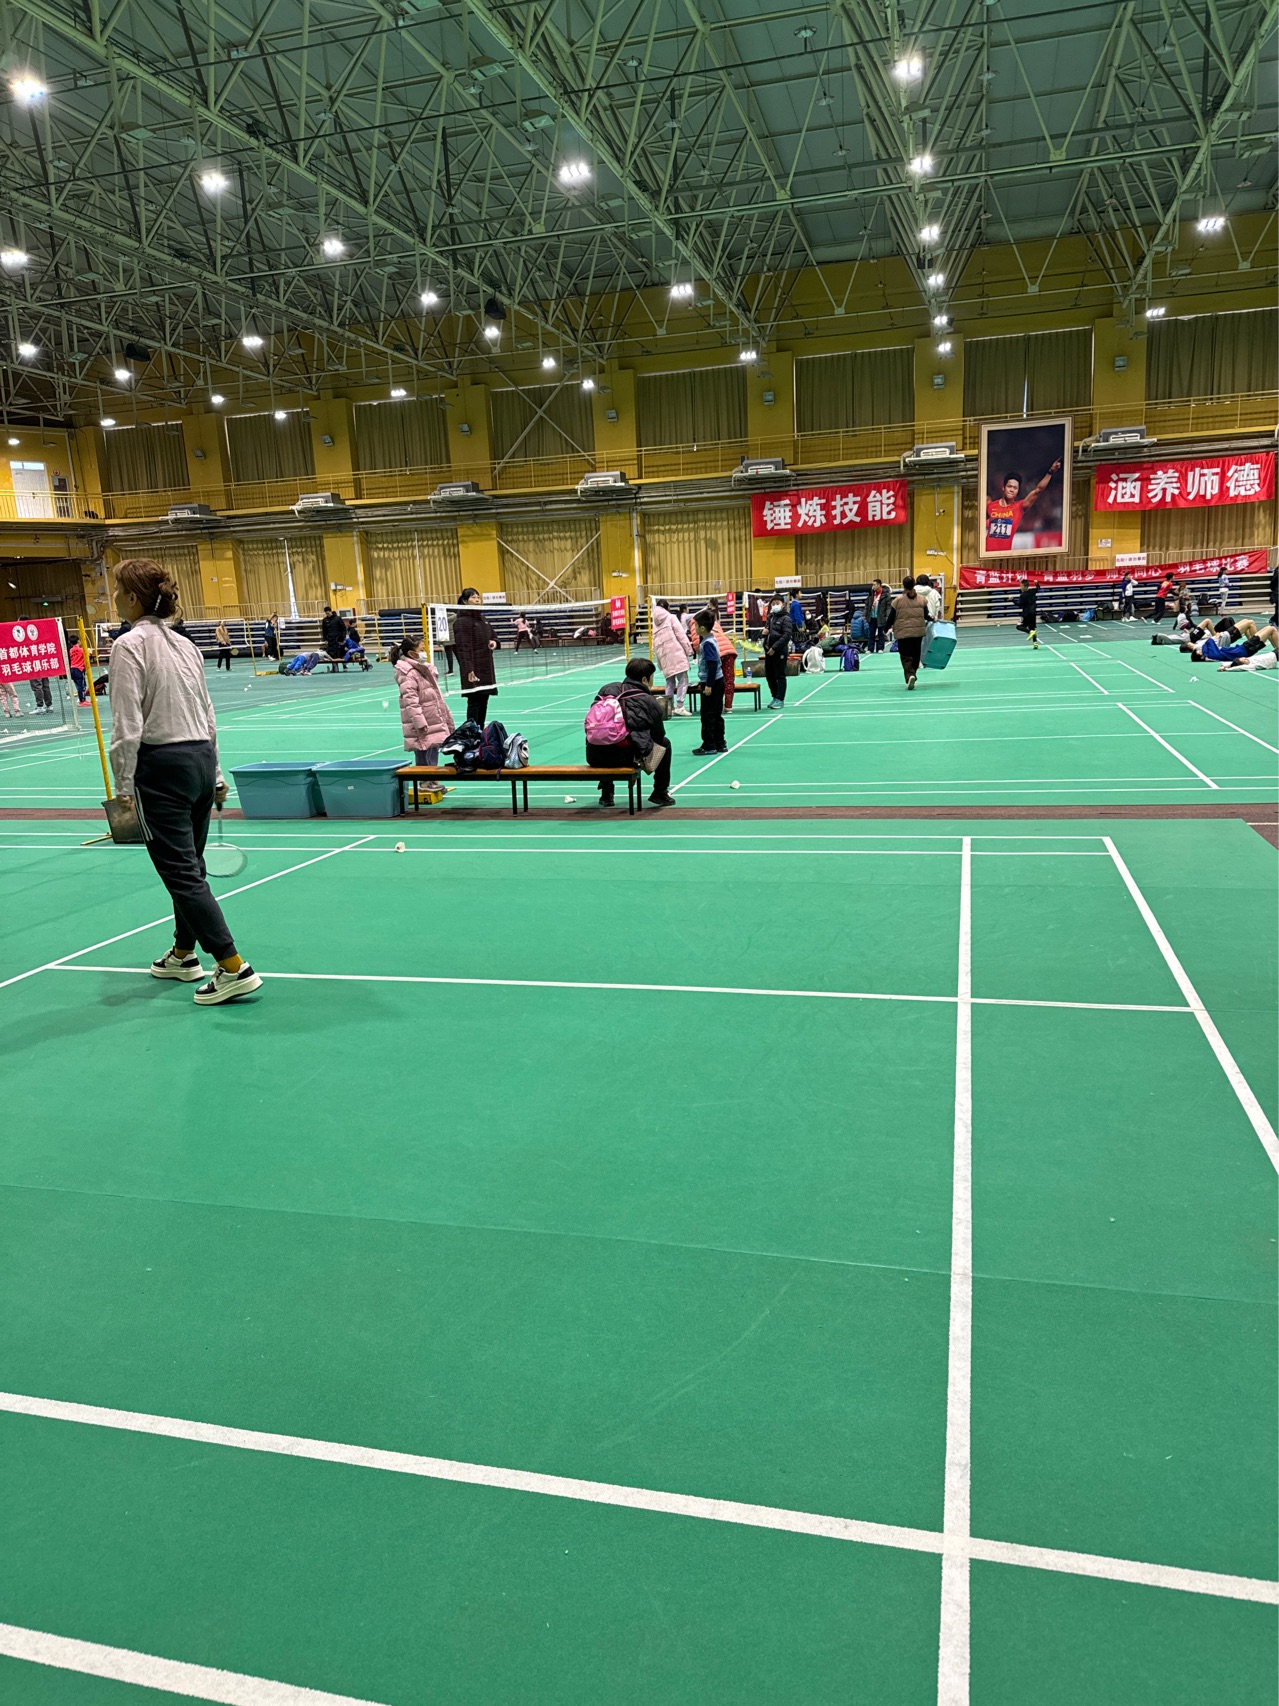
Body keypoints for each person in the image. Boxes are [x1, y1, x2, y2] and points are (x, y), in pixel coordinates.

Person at [107, 558, 261, 1006]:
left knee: (181, 875)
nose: (113, 597)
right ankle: (182, 954)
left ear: (132, 598)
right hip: (199, 762)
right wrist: (216, 773)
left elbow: (127, 726)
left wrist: (123, 787)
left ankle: (232, 966)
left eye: (116, 589)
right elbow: (207, 714)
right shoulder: (186, 645)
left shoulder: (128, 646)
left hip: (162, 769)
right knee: (191, 867)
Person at [586, 658, 675, 808]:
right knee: (665, 744)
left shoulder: (606, 690)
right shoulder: (648, 700)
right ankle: (660, 792)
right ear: (645, 679)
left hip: (594, 757)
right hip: (627, 758)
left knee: (605, 737)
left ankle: (607, 794)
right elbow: (658, 736)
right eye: (652, 677)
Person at [394, 634, 453, 763]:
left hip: (433, 718)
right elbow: (411, 702)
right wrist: (420, 723)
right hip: (423, 724)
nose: (424, 653)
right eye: (421, 650)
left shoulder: (425, 670)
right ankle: (426, 776)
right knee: (425, 758)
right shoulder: (408, 674)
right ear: (411, 653)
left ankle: (430, 776)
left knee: (432, 754)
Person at [984, 460, 1061, 553]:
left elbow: (1038, 490)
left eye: (1015, 488)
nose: (1012, 490)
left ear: (1017, 491)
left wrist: (1050, 472)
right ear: (1003, 488)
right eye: (1009, 486)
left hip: (1004, 556)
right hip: (986, 555)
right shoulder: (990, 506)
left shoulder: (1019, 507)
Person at [453, 587, 498, 724]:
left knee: (484, 699)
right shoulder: (461, 622)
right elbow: (463, 648)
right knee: (474, 701)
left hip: (486, 666)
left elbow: (494, 637)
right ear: (465, 601)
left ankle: (480, 730)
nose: (477, 600)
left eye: (478, 597)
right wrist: (468, 670)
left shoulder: (483, 619)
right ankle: (472, 732)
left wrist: (494, 642)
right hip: (473, 668)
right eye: (473, 597)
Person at [692, 609, 726, 754]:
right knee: (716, 714)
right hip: (718, 681)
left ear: (702, 628)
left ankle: (709, 745)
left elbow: (712, 665)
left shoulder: (707, 644)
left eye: (695, 625)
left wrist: (708, 685)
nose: (694, 628)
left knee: (708, 715)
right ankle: (720, 743)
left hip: (712, 683)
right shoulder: (709, 640)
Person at [651, 598, 694, 715]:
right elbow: (681, 635)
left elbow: (654, 644)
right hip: (676, 653)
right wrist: (689, 650)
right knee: (683, 680)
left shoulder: (655, 624)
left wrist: (660, 662)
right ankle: (680, 706)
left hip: (664, 657)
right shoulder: (671, 618)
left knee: (669, 682)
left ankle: (669, 708)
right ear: (667, 608)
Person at [886, 575, 928, 689]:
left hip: (903, 633)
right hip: (918, 632)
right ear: (914, 584)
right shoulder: (922, 599)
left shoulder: (897, 601)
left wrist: (885, 629)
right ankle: (913, 673)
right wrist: (933, 618)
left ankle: (910, 675)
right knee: (916, 655)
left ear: (903, 585)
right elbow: (926, 615)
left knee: (905, 656)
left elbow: (891, 618)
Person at [706, 602, 737, 712]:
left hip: (717, 654)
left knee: (714, 679)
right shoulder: (717, 625)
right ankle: (728, 706)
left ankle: (716, 706)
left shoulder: (701, 627)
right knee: (729, 680)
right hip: (729, 652)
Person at [762, 595, 792, 709]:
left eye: (777, 603)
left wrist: (774, 648)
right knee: (769, 675)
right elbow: (767, 633)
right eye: (773, 604)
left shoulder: (786, 618)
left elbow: (786, 636)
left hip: (779, 651)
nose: (775, 605)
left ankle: (780, 699)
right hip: (768, 651)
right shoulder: (770, 617)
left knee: (780, 675)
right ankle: (775, 696)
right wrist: (763, 634)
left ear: (782, 604)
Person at [1017, 577, 1040, 649]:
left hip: (1026, 614)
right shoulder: (1032, 591)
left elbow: (1019, 605)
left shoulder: (1023, 595)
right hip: (1033, 613)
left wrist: (1012, 600)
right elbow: (1038, 588)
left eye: (1021, 586)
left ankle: (1030, 632)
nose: (1020, 587)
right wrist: (1036, 583)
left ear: (1026, 586)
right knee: (1032, 627)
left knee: (1019, 626)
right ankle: (1035, 643)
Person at [68, 638, 89, 703]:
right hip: (79, 669)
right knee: (82, 686)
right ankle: (82, 700)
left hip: (72, 669)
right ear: (78, 641)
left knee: (78, 685)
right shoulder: (81, 650)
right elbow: (87, 656)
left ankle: (81, 699)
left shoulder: (71, 650)